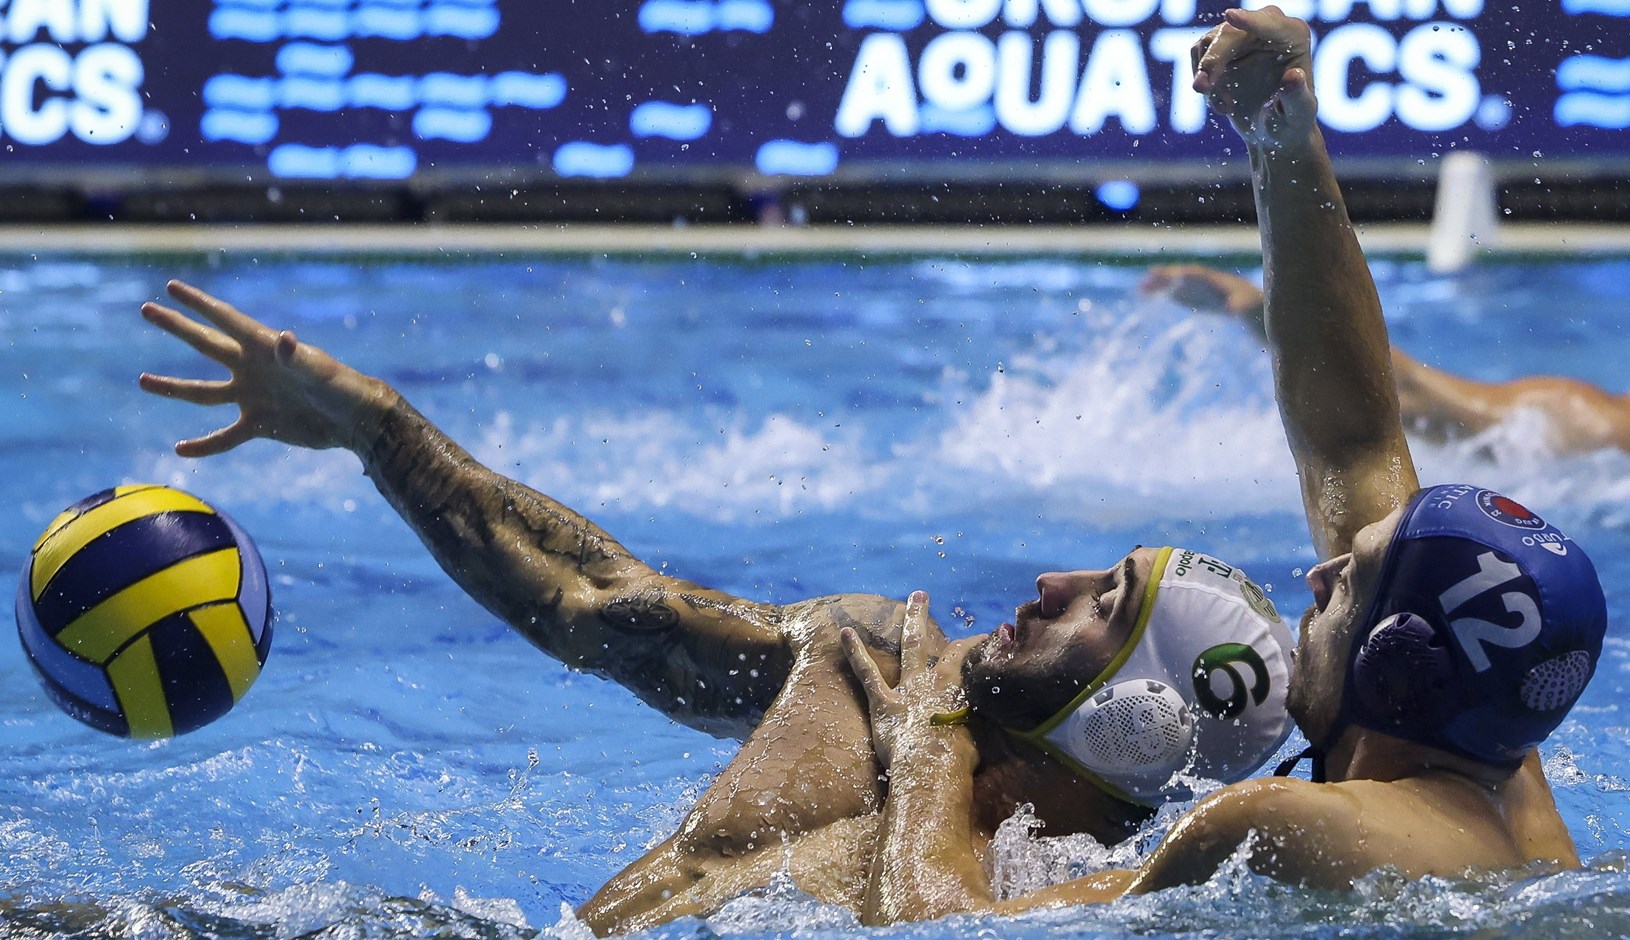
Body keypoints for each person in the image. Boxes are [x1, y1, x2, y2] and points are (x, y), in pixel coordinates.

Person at [137, 278, 1291, 925]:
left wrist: (935, 742)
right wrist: (374, 427)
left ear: (1130, 716)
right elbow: (593, 603)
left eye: (1105, 600)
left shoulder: (1075, 898)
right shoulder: (871, 656)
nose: (1053, 581)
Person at [836, 6, 1609, 925]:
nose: (1317, 574)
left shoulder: (1279, 821)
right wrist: (1283, 143)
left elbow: (941, 928)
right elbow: (1352, 437)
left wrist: (927, 740)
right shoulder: (1489, 755)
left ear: (1394, 668)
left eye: (1347, 584)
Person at [1142, 263, 1630, 455]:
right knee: (1435, 406)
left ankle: (1280, 321)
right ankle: (1282, 320)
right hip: (1592, 426)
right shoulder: (1595, 428)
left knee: (1429, 404)